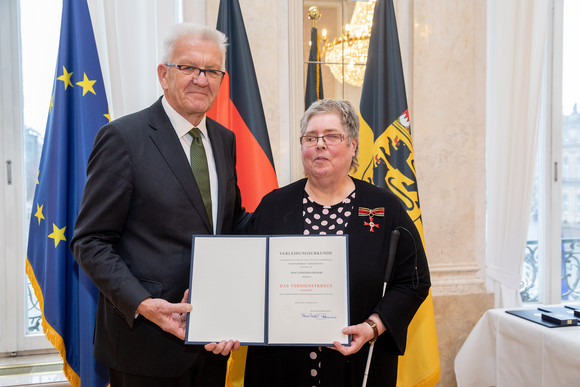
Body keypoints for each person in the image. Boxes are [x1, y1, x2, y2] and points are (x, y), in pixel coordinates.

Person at [70, 22, 245, 386]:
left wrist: (298, 215)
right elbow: (90, 242)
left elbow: (230, 223)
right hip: (142, 346)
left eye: (212, 70)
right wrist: (144, 304)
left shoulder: (224, 140)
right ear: (163, 75)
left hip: (211, 343)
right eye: (188, 67)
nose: (201, 79)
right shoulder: (123, 138)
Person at [243, 99, 431, 387]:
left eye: (332, 136)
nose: (320, 145)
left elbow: (413, 281)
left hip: (358, 365)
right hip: (280, 366)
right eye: (311, 137)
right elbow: (248, 278)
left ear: (353, 145)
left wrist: (372, 327)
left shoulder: (386, 208)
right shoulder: (273, 206)